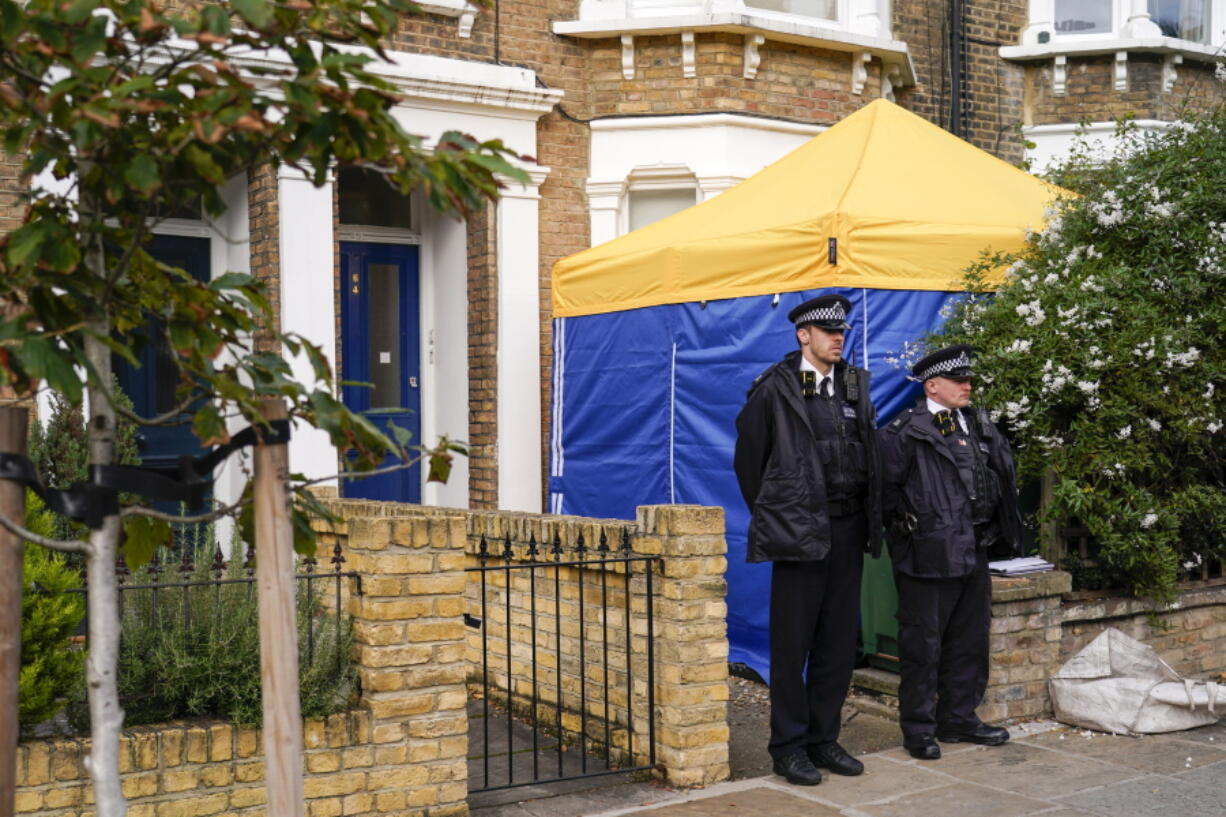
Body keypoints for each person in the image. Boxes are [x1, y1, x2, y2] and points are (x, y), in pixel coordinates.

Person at [734, 294, 883, 786]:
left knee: (837, 645)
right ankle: (788, 746)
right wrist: (784, 514)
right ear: (804, 335)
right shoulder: (774, 390)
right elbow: (750, 465)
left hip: (846, 529)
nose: (838, 338)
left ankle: (824, 739)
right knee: (792, 644)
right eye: (828, 331)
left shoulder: (854, 385)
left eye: (842, 331)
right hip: (799, 532)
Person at [878, 343, 1022, 760]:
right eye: (959, 380)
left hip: (974, 550)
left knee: (969, 641)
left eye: (968, 379)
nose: (968, 386)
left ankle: (958, 718)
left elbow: (996, 477)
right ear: (932, 385)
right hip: (927, 555)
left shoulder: (977, 425)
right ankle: (919, 728)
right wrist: (913, 536)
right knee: (923, 646)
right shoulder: (904, 432)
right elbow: (886, 495)